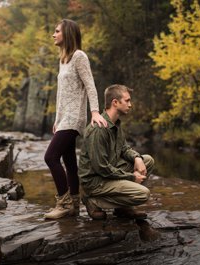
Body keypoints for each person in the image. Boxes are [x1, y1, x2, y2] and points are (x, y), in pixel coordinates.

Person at [44, 19, 108, 219]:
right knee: (69, 161)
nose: (53, 35)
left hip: (74, 117)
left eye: (56, 31)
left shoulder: (79, 56)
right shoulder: (63, 59)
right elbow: (61, 94)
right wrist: (57, 118)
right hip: (64, 117)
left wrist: (95, 112)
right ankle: (74, 204)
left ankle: (63, 204)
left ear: (67, 34)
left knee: (50, 157)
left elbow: (90, 85)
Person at [79, 84, 155, 220]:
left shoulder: (116, 124)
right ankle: (94, 201)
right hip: (96, 182)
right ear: (115, 102)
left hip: (108, 172)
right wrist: (131, 178)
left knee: (147, 160)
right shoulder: (99, 129)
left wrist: (137, 158)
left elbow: (124, 148)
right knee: (143, 194)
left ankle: (123, 208)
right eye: (127, 101)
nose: (130, 105)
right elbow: (101, 168)